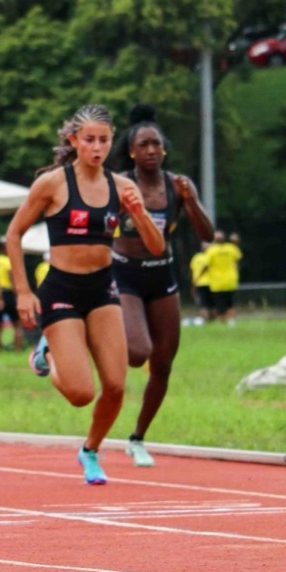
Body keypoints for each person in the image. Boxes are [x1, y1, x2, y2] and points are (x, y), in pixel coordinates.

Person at [4, 104, 164, 485]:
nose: (96, 147)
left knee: (115, 385)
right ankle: (46, 352)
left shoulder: (123, 187)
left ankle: (90, 450)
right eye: (89, 139)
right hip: (60, 289)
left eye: (104, 140)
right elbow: (13, 234)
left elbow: (156, 247)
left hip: (102, 288)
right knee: (79, 392)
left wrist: (139, 214)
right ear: (73, 140)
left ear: (113, 143)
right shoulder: (53, 184)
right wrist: (23, 292)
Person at [111, 104, 214, 467]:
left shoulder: (177, 185)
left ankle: (137, 438)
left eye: (157, 144)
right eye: (144, 144)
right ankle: (101, 338)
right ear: (131, 151)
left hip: (162, 275)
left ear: (164, 149)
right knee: (138, 351)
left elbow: (207, 234)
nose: (151, 150)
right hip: (124, 274)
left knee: (163, 364)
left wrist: (192, 202)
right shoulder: (120, 185)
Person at [204, 230, 242, 325]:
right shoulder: (231, 248)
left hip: (217, 282)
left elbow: (206, 265)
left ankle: (223, 322)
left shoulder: (211, 250)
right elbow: (237, 262)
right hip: (231, 280)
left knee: (220, 304)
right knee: (230, 302)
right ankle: (232, 321)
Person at [0, 237, 23, 352]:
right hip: (8, 293)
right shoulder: (7, 261)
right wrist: (18, 295)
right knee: (17, 324)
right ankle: (17, 349)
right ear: (3, 248)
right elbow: (13, 280)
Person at [189, 241, 212, 324]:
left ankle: (203, 319)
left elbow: (192, 271)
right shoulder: (210, 257)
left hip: (198, 283)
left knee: (203, 303)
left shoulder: (195, 258)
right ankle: (210, 319)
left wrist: (193, 283)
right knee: (211, 303)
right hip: (210, 282)